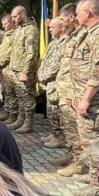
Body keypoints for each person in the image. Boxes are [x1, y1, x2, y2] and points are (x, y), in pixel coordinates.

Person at [56, 0, 99, 196]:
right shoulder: (89, 32)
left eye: (78, 13)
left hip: (94, 101)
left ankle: (98, 185)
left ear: (87, 11)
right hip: (82, 96)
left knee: (94, 143)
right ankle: (94, 175)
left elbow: (98, 71)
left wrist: (85, 99)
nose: (76, 17)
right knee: (87, 142)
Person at [0, 6, 39, 132]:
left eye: (15, 16)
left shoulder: (31, 30)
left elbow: (31, 53)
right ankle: (21, 119)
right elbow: (12, 50)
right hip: (15, 69)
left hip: (24, 70)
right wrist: (10, 69)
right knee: (19, 96)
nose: (13, 20)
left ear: (23, 14)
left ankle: (28, 122)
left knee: (27, 97)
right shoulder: (19, 29)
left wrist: (25, 71)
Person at [37, 16, 69, 149]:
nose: (49, 30)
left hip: (56, 82)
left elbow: (57, 63)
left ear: (61, 28)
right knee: (51, 110)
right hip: (49, 82)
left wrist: (44, 75)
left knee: (56, 110)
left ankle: (59, 136)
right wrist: (41, 73)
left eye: (52, 27)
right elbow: (46, 61)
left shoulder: (65, 42)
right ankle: (55, 133)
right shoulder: (54, 42)